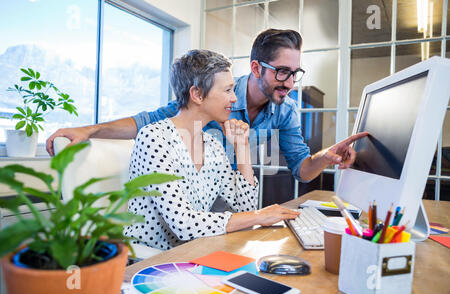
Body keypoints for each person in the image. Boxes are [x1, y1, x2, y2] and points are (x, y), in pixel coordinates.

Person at [46, 28, 368, 183]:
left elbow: (302, 169)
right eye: (282, 72)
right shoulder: (212, 98)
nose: (290, 83)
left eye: (295, 73)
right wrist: (90, 130)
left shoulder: (285, 111)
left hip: (229, 199)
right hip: (195, 205)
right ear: (256, 68)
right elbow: (146, 121)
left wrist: (326, 157)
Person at [125, 49, 299, 250]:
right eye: (227, 90)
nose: (234, 99)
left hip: (192, 255)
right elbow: (183, 224)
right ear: (197, 94)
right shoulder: (154, 138)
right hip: (147, 260)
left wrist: (242, 147)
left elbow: (245, 208)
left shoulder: (213, 145)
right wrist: (260, 216)